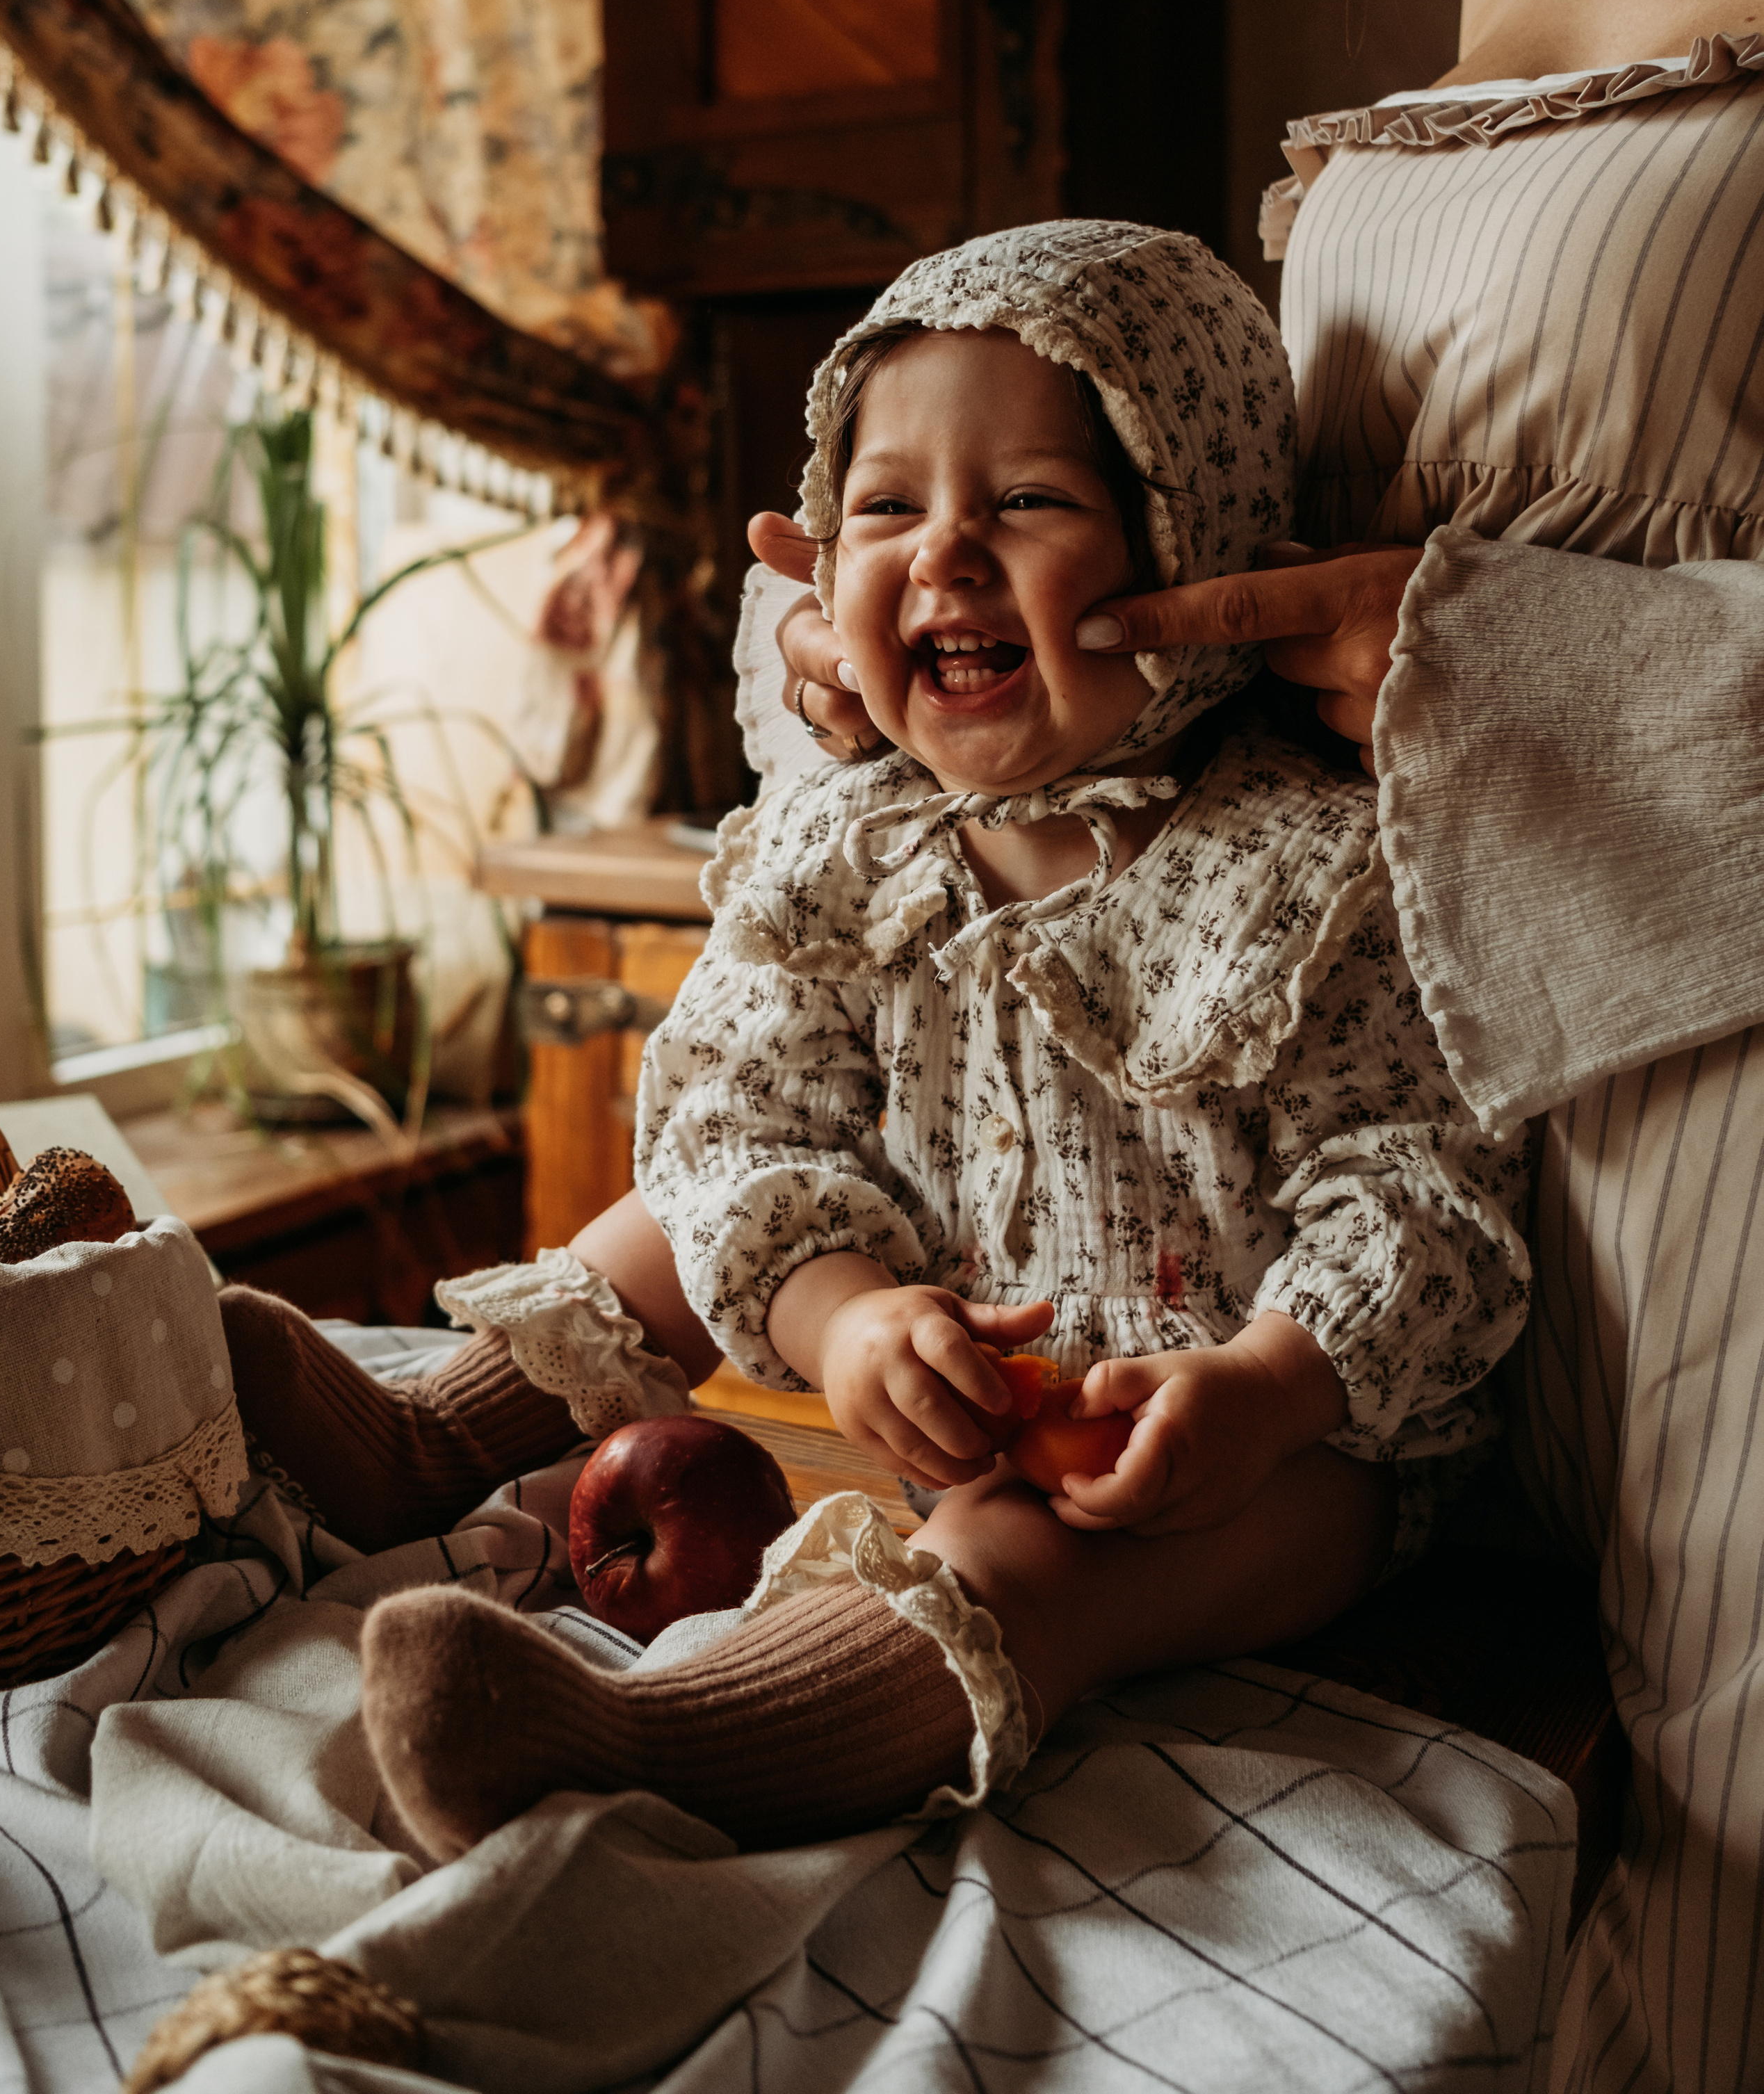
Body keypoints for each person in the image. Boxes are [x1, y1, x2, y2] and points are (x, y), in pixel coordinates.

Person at [748, 0, 1764, 2092]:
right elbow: (1330, 518)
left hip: (1734, 1109)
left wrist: (1519, 662)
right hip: (1426, 1082)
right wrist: (935, 657)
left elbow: (1489, 594)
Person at [316, 220, 1528, 1865]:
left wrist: (1264, 1385)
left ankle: (691, 1739)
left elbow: (1420, 1194)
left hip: (1262, 1459)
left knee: (1029, 1555)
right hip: (942, 1360)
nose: (942, 557)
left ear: (1192, 545)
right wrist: (840, 1318)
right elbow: (738, 1133)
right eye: (884, 509)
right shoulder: (844, 842)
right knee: (682, 1193)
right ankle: (420, 1436)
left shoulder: (1310, 868)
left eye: (1026, 502)